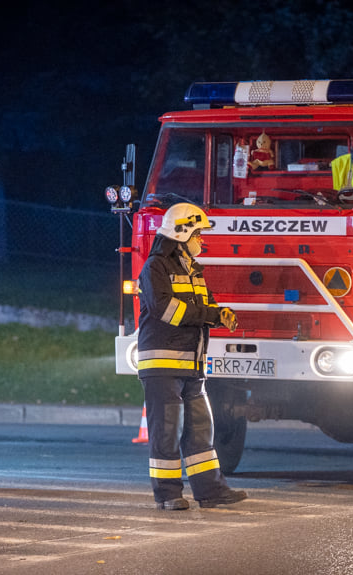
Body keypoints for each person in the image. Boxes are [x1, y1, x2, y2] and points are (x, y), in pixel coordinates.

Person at [136, 202, 247, 510]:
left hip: (191, 364)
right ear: (181, 232)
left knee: (200, 430)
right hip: (163, 364)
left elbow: (204, 308)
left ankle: (211, 491)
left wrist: (220, 313)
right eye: (198, 234)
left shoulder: (194, 271)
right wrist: (208, 314)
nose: (202, 240)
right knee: (167, 431)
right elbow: (167, 311)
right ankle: (169, 494)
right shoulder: (155, 266)